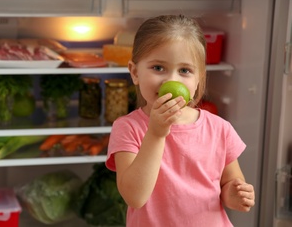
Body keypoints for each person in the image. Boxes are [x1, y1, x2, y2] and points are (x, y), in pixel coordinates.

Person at [105, 15, 255, 226]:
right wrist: (156, 133)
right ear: (135, 72)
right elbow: (135, 197)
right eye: (158, 68)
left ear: (199, 78)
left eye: (184, 70)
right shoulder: (128, 128)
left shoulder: (220, 129)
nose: (171, 80)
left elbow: (229, 185)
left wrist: (235, 195)